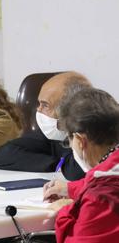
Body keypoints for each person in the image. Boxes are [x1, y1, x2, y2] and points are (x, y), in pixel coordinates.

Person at [43, 88, 119, 242]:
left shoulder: (101, 197)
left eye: (69, 141)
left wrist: (66, 211)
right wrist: (70, 189)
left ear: (79, 140)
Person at [0, 71, 92, 181]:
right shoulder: (55, 133)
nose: (38, 110)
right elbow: (3, 155)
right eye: (39, 104)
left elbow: (75, 173)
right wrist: (58, 163)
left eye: (45, 105)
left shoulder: (95, 133)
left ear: (72, 108)